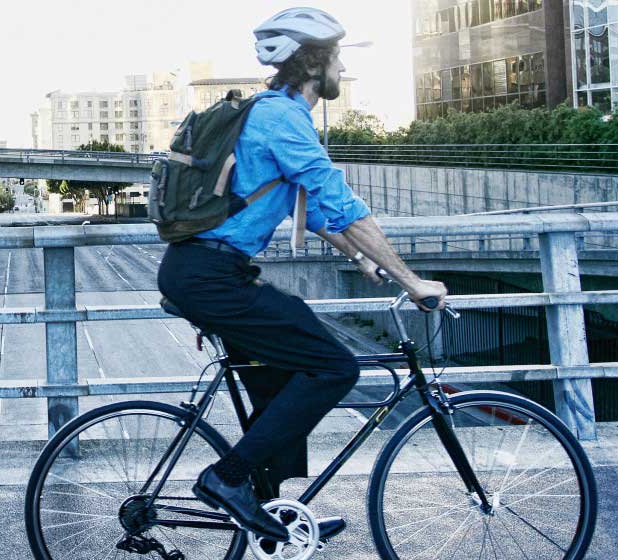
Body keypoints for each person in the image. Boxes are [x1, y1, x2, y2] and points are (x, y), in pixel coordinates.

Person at [158, 7, 449, 543]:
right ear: (316, 63)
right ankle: (226, 480)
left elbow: (312, 211)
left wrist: (361, 258)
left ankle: (273, 518)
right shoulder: (284, 120)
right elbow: (343, 204)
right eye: (336, 56)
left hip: (202, 273)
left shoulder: (273, 115)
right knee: (334, 367)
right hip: (212, 277)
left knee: (281, 380)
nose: (341, 66)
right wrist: (412, 280)